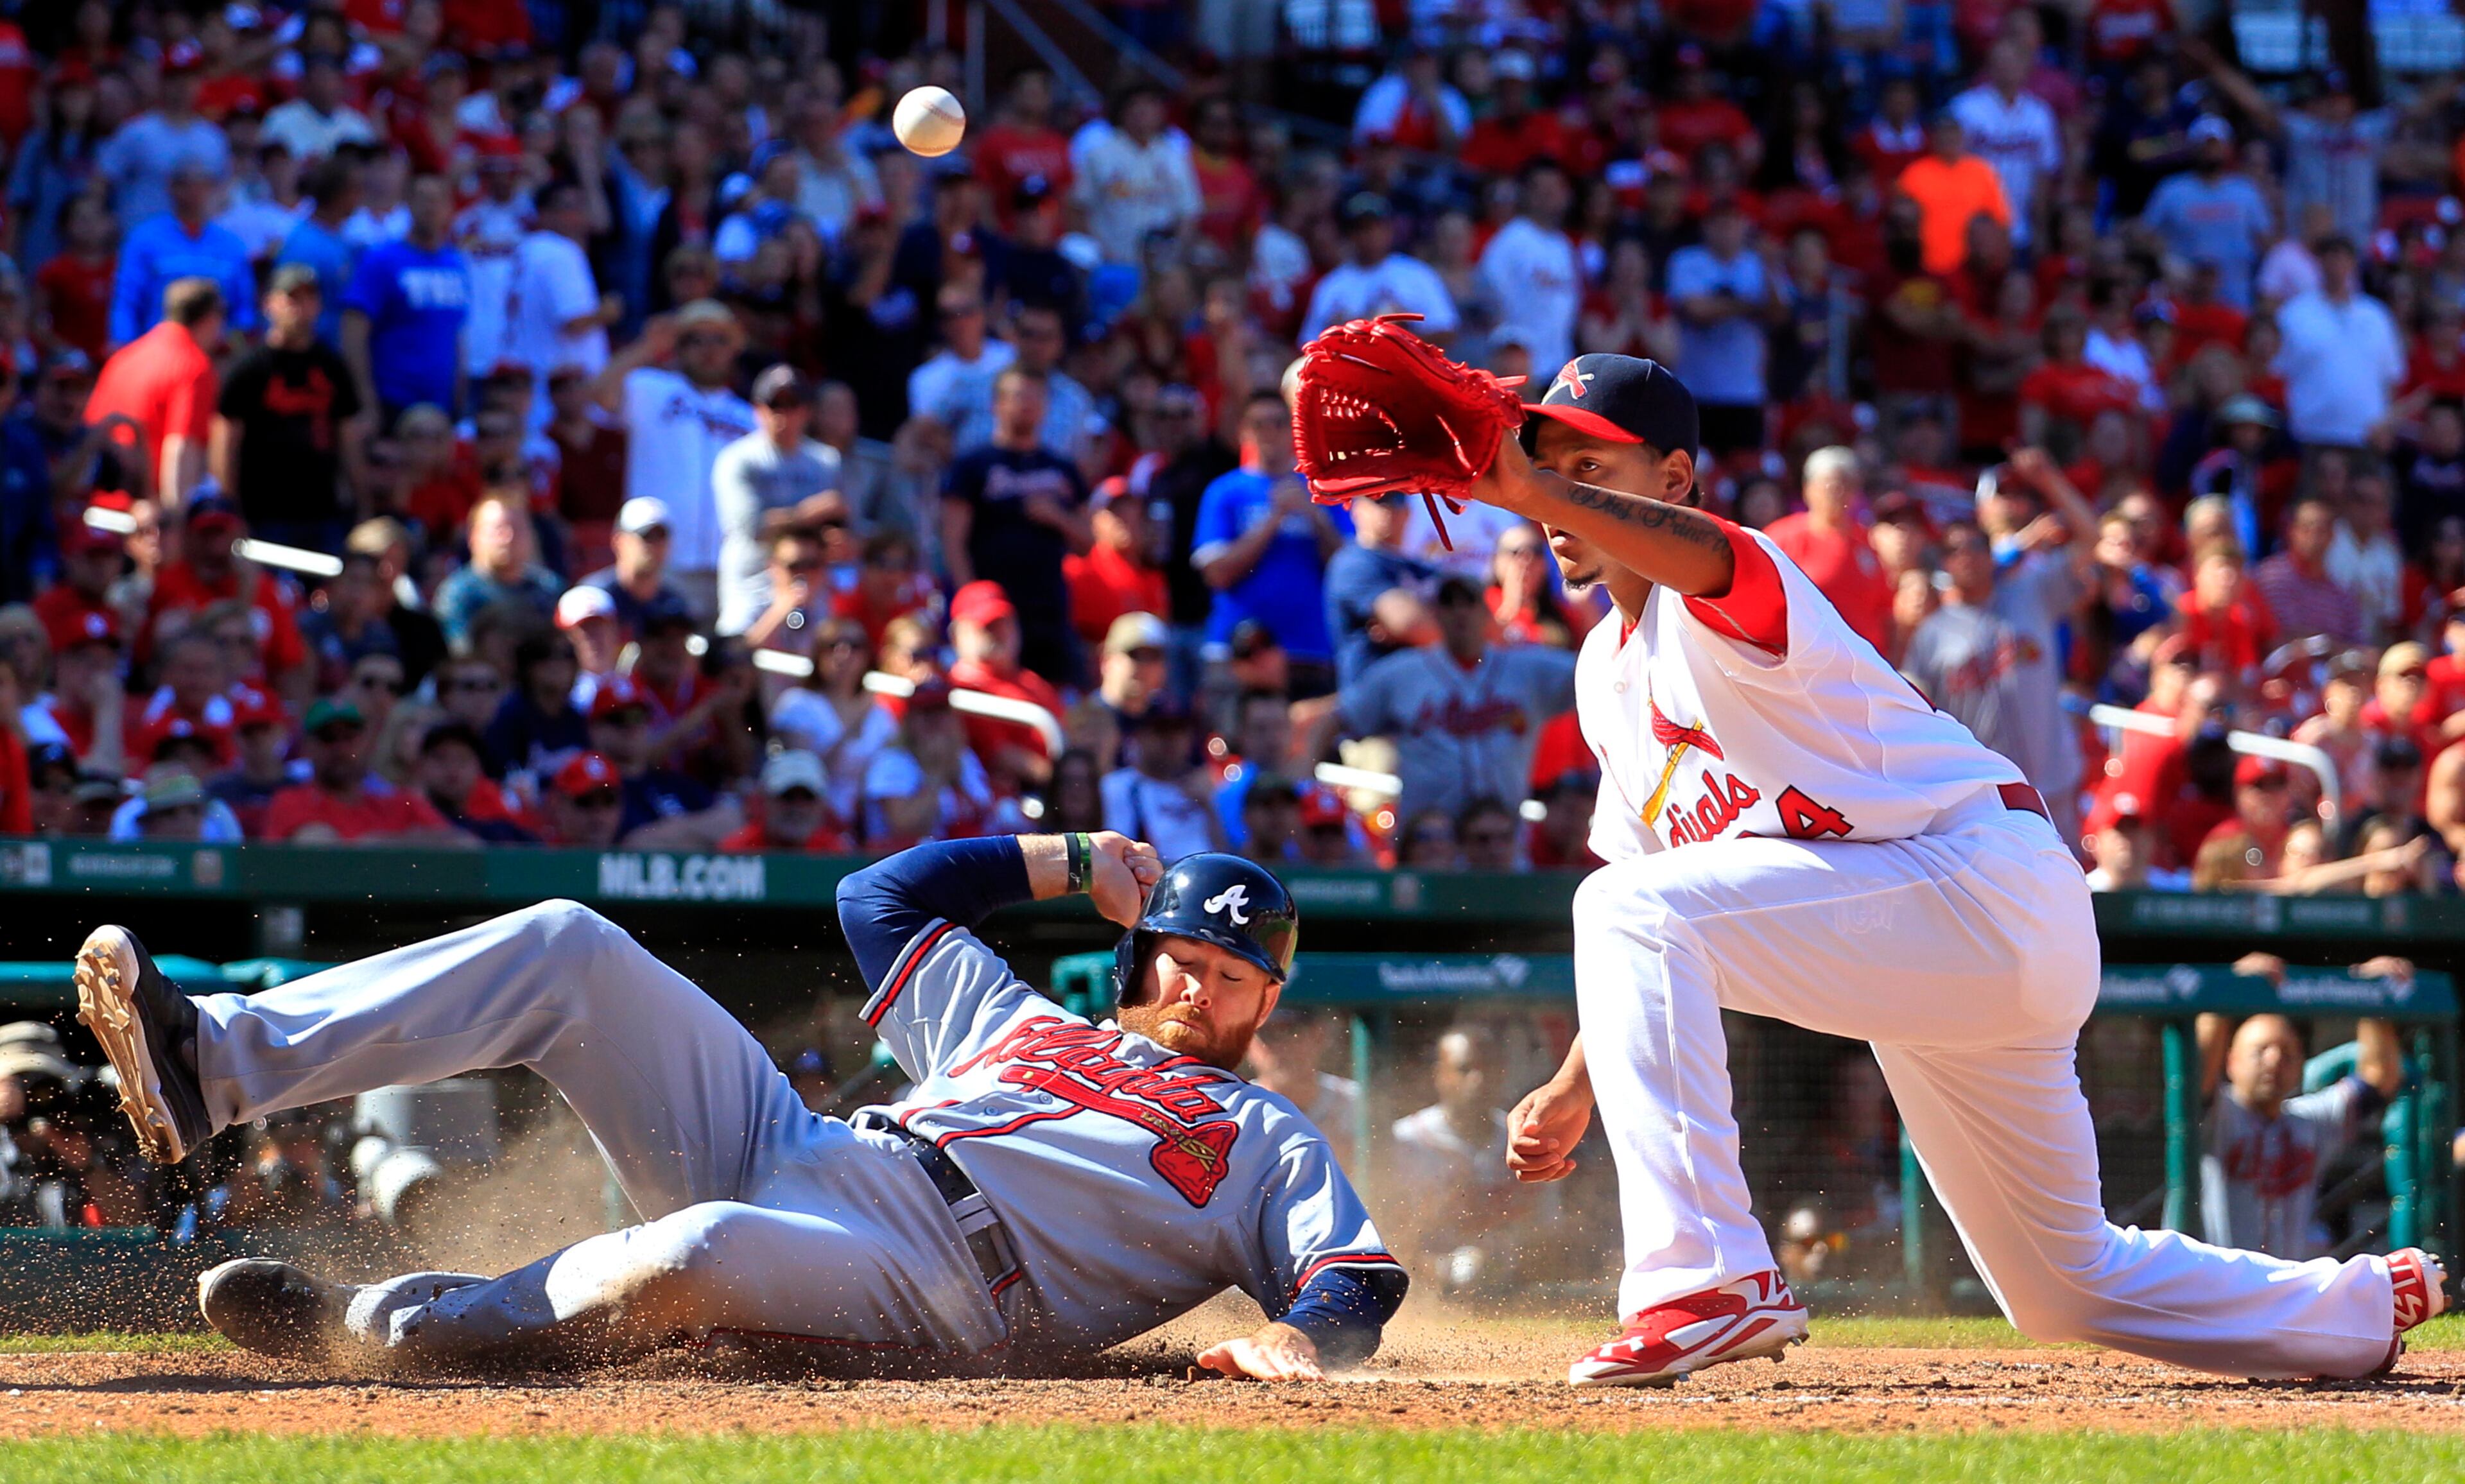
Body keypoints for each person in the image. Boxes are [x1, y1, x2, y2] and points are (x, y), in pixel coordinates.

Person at [1399, 349, 2446, 1385]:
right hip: (1916, 939)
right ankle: (2353, 1307)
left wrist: (1533, 479)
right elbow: (1658, 901)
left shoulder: (1735, 572)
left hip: (1975, 878)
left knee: (1624, 905)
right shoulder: (1602, 675)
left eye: (1593, 470)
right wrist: (1582, 1085)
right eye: (1548, 468)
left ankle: (1707, 1278)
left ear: (1675, 481)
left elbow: (1648, 894)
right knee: (2059, 1285)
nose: (1555, 498)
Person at [77, 840, 1401, 1376]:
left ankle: (380, 1327)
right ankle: (215, 1066)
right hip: (807, 1146)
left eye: (1233, 975)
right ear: (1135, 952)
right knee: (569, 944)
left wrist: (1311, 1342)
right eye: (1180, 953)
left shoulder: (1265, 1139)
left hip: (934, 1283)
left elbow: (1354, 1277)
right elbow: (875, 901)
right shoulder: (1021, 1018)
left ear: (1266, 1002)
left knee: (699, 1249)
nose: (1197, 986)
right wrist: (1055, 858)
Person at [1328, 576, 1577, 824]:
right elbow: (1337, 718)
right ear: (1436, 614)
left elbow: (1596, 672)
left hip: (1503, 842)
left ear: (1486, 612)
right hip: (1429, 845)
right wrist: (1304, 778)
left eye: (1468, 602)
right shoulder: (1402, 673)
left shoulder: (1526, 669)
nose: (1460, 613)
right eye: (1449, 604)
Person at [2198, 997, 2406, 1260]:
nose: (2274, 1060)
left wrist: (2374, 999)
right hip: (2205, 1287)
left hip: (2280, 1289)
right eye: (2260, 1051)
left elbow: (2379, 1078)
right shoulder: (2216, 1112)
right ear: (2231, 1062)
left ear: (2300, 1067)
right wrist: (2224, 989)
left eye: (2287, 1053)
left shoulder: (2307, 1120)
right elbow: (2195, 1072)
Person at [596, 298, 756, 619]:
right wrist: (648, 347)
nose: (709, 349)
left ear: (734, 348)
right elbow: (600, 395)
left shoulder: (750, 416)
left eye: (720, 340)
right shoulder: (652, 388)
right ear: (678, 347)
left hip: (727, 566)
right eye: (696, 339)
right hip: (662, 560)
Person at [940, 368, 1092, 686]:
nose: (1027, 405)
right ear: (996, 404)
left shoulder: (1062, 469)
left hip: (1048, 610)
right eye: (1018, 396)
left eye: (1036, 397)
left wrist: (1056, 517)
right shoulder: (973, 465)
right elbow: (953, 541)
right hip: (993, 612)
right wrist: (971, 602)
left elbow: (1088, 541)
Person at [1193, 391, 1348, 697]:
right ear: (1243, 432)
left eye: (1278, 423)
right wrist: (1273, 520)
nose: (1269, 432)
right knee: (1230, 744)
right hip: (1238, 651)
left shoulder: (1324, 490)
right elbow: (1216, 574)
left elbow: (1348, 567)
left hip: (1311, 650)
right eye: (1259, 424)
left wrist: (1315, 518)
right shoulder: (1224, 492)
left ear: (1294, 429)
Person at [212, 265, 364, 554]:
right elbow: (225, 444)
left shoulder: (332, 366)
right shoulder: (249, 369)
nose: (300, 308)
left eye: (309, 299)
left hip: (323, 510)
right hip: (265, 512)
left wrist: (361, 500)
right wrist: (230, 509)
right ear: (269, 304)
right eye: (292, 298)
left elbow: (349, 440)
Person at [713, 366, 842, 637]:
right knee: (738, 654)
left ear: (807, 411)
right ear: (758, 409)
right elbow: (754, 528)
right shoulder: (738, 459)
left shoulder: (826, 462)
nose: (783, 414)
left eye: (792, 404)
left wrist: (839, 538)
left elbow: (836, 524)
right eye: (775, 405)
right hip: (753, 582)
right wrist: (809, 513)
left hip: (809, 581)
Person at [342, 173, 469, 424]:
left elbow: (457, 333)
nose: (431, 207)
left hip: (442, 404)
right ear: (408, 204)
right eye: (423, 199)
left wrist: (460, 392)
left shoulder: (456, 264)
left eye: (438, 200)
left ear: (450, 208)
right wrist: (365, 399)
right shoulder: (381, 261)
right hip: (392, 400)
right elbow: (353, 331)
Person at [85, 277, 223, 502]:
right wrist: (174, 521)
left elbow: (90, 425)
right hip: (145, 513)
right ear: (210, 318)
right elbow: (181, 449)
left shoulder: (124, 357)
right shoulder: (194, 365)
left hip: (97, 502)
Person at [259, 698, 459, 844]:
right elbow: (316, 847)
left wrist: (378, 844)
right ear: (307, 747)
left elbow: (462, 844)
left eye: (349, 738)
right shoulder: (291, 801)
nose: (340, 748)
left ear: (367, 744)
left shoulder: (399, 803)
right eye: (328, 738)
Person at [2272, 237, 2403, 453]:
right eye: (2330, 257)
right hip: (2310, 436)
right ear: (2319, 262)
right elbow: (2277, 374)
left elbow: (2391, 378)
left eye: (2343, 257)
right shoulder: (2293, 314)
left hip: (2367, 436)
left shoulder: (2376, 315)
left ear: (2354, 263)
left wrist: (2387, 425)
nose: (2337, 264)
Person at [110, 159, 257, 350]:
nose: (194, 193)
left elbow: (244, 308)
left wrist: (238, 348)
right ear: (172, 188)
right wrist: (124, 347)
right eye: (186, 184)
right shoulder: (144, 239)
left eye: (202, 184)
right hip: (158, 353)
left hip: (215, 356)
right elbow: (127, 301)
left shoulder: (231, 245)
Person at [1763, 447, 1892, 654]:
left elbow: (1886, 610)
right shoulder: (1782, 538)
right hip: (1807, 660)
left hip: (1865, 665)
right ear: (1808, 489)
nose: (1838, 491)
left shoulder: (1870, 542)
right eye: (1830, 484)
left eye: (1847, 484)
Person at [1302, 193, 1460, 343]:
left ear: (1389, 230)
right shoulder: (1332, 285)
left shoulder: (1416, 273)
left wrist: (1400, 336)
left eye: (1375, 227)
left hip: (1403, 367)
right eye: (1361, 229)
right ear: (1350, 235)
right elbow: (1309, 342)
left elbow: (1447, 330)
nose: (1369, 235)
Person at [433, 492, 562, 646]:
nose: (508, 538)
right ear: (473, 537)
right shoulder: (457, 595)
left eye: (518, 529)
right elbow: (460, 652)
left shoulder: (548, 589)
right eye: (499, 530)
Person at [1102, 703, 1222, 862]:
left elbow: (1227, 851)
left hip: (1207, 876)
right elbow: (1118, 852)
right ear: (1140, 735)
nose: (1171, 740)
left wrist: (1210, 807)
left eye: (1179, 732)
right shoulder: (1117, 786)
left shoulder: (1202, 787)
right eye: (1161, 732)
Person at [581, 497, 693, 638]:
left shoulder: (673, 603)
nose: (653, 545)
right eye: (646, 536)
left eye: (661, 536)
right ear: (618, 541)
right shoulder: (596, 598)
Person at [719, 749, 853, 854]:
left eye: (808, 797)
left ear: (822, 805)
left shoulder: (835, 853)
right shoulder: (738, 852)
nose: (797, 808)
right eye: (787, 797)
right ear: (765, 800)